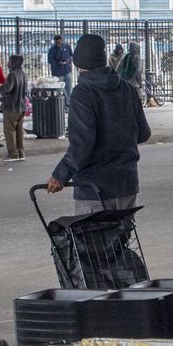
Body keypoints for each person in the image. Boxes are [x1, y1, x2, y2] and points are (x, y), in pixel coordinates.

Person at [46, 33, 151, 214]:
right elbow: (143, 133)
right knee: (120, 238)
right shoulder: (127, 89)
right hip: (126, 184)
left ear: (78, 63)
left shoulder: (82, 93)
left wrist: (60, 175)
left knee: (94, 240)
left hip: (94, 188)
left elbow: (82, 142)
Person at [0, 54, 29, 161]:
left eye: (10, 61)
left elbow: (7, 89)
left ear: (14, 63)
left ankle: (13, 154)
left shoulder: (12, 75)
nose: (8, 63)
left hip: (11, 107)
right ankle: (21, 153)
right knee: (19, 131)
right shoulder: (23, 74)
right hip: (21, 107)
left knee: (10, 131)